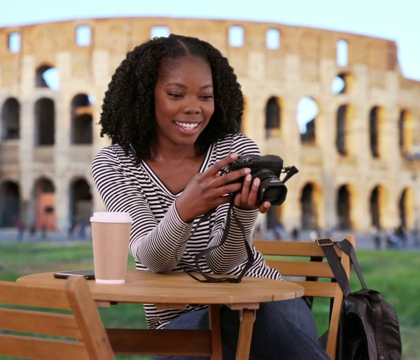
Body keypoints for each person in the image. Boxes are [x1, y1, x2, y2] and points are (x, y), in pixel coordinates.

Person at [91, 34, 328, 359]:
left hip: (267, 300)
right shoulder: (115, 164)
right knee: (230, 316)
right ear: (144, 96)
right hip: (179, 320)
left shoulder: (234, 149)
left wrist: (243, 214)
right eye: (176, 94)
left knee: (242, 312)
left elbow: (224, 265)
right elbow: (153, 259)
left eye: (206, 96)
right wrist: (184, 209)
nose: (193, 108)